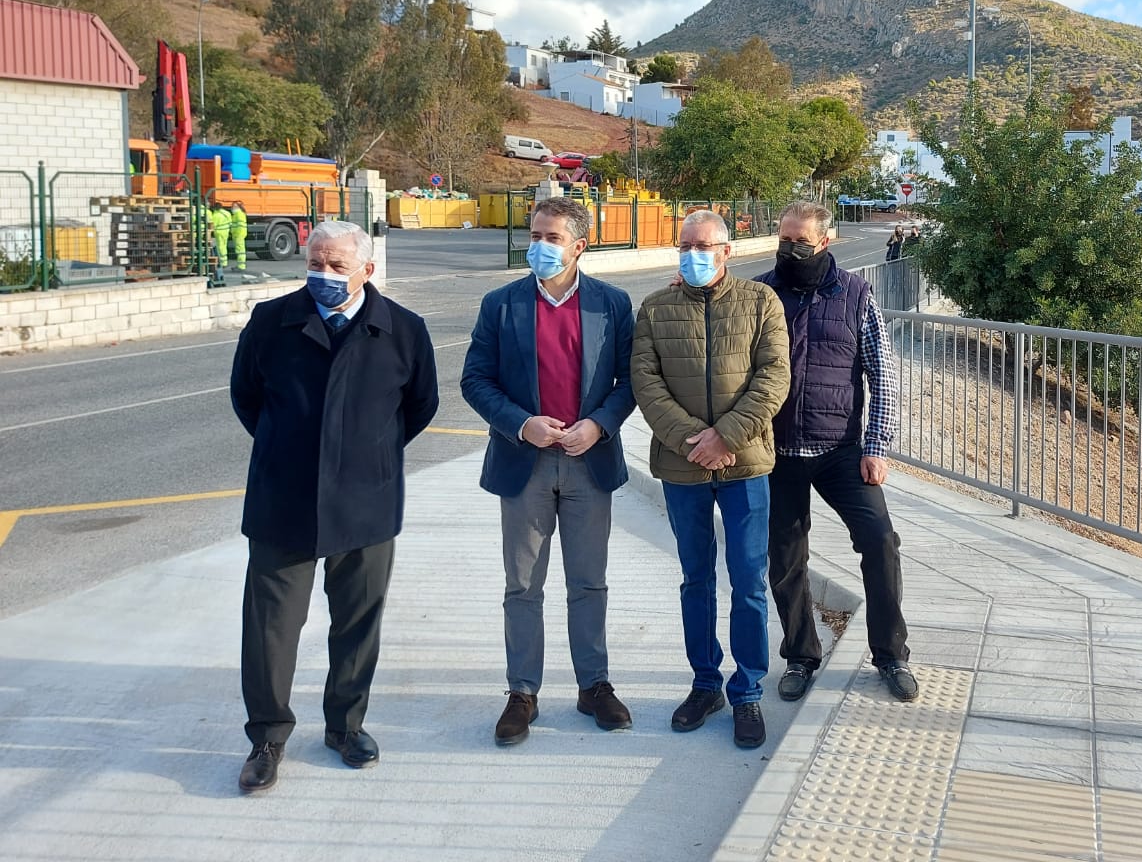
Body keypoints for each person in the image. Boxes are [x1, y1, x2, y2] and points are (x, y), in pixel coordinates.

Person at [228, 220, 439, 793]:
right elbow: (247, 398)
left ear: (368, 270)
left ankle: (346, 727)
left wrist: (364, 457)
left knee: (356, 622)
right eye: (315, 264)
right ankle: (267, 735)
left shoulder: (402, 330)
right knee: (271, 627)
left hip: (365, 503)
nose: (323, 275)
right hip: (282, 500)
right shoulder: (272, 322)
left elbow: (419, 407)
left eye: (337, 266)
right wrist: (289, 450)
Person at [461, 198, 637, 747]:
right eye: (535, 234)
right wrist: (520, 424)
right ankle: (522, 693)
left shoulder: (612, 304)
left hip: (590, 463)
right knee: (523, 586)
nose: (538, 244)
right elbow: (476, 380)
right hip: (525, 465)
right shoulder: (501, 304)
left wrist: (600, 425)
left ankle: (594, 685)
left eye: (552, 236)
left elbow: (632, 380)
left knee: (588, 583)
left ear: (579, 245)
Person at [631, 210, 790, 750]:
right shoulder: (655, 308)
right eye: (684, 246)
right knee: (695, 578)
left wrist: (726, 437)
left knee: (748, 581)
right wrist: (690, 441)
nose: (691, 255)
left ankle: (747, 691)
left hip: (745, 464)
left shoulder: (761, 303)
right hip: (682, 467)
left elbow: (773, 377)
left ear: (728, 252)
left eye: (703, 247)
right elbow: (645, 382)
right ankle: (705, 684)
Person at [757, 203, 918, 704]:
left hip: (841, 450)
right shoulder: (760, 292)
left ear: (825, 241)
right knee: (785, 557)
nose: (790, 249)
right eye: (784, 239)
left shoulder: (856, 294)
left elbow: (883, 374)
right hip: (776, 452)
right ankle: (801, 655)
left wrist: (877, 446)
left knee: (880, 542)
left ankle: (890, 654)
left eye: (800, 241)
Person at [208, 195, 232, 278]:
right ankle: (225, 261)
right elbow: (230, 222)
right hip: (226, 231)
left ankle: (222, 262)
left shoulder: (215, 215)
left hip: (219, 232)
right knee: (224, 246)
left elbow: (212, 225)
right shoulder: (227, 213)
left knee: (220, 247)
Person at [229, 201, 249, 272]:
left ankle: (241, 266)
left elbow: (239, 226)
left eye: (234, 206)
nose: (232, 207)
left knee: (240, 250)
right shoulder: (239, 213)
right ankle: (240, 265)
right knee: (240, 250)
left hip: (238, 234)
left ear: (238, 207)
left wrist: (236, 234)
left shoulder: (238, 214)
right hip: (239, 234)